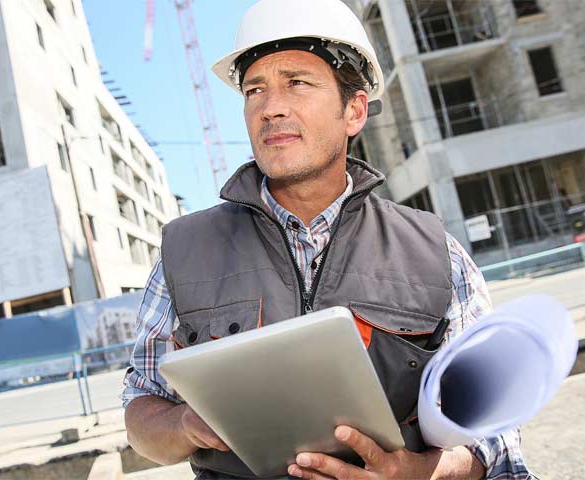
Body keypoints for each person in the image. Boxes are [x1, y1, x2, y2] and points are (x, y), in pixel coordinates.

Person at [122, 0, 532, 478]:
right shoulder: (184, 250)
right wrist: (186, 424)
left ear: (354, 111)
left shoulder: (434, 250)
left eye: (296, 82)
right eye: (255, 90)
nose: (270, 107)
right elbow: (140, 414)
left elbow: (495, 428)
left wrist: (421, 472)